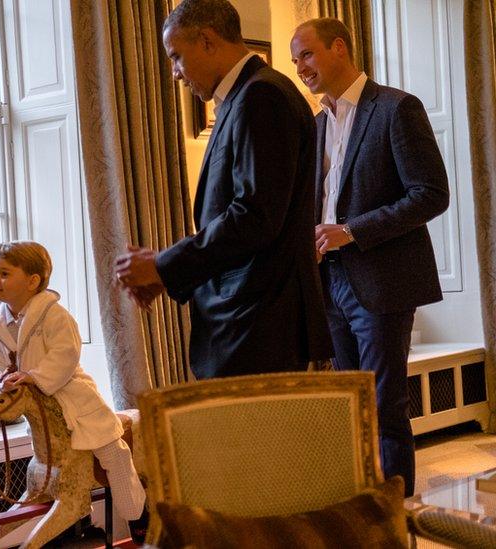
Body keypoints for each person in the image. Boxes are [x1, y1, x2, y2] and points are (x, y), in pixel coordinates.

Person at [114, 0, 332, 379]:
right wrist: (165, 274)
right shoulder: (245, 97)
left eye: (177, 57)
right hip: (249, 323)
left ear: (207, 40)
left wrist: (164, 265)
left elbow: (254, 218)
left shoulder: (262, 96)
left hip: (258, 326)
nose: (176, 73)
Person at [290, 18, 448, 496]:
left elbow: (430, 194)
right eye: (296, 59)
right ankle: (362, 505)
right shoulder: (315, 123)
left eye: (307, 54)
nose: (300, 67)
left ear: (339, 47)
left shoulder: (397, 108)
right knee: (351, 407)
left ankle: (393, 517)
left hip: (382, 281)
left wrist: (352, 232)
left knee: (384, 405)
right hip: (329, 282)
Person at [0, 241, 146, 521]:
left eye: (5, 274)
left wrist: (34, 376)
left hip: (71, 392)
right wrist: (0, 378)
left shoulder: (55, 315)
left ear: (32, 281)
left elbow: (66, 353)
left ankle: (133, 508)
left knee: (109, 444)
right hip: (37, 400)